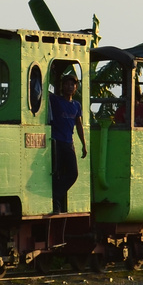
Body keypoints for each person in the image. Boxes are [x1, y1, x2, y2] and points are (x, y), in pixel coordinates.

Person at [50, 69, 87, 213]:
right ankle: (56, 204)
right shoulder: (55, 100)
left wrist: (84, 144)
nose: (70, 87)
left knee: (73, 173)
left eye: (72, 85)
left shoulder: (76, 105)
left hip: (68, 142)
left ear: (76, 88)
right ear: (62, 86)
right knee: (56, 172)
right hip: (56, 142)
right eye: (67, 84)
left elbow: (79, 125)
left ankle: (56, 195)